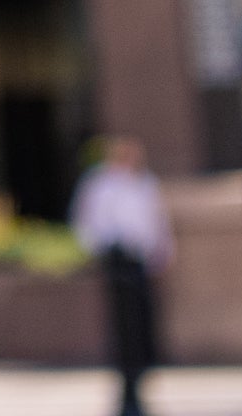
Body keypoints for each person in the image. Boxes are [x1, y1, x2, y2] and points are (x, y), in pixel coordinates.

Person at [68, 136, 172, 416]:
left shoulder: (145, 183)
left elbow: (157, 223)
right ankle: (126, 391)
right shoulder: (101, 184)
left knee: (142, 329)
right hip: (116, 260)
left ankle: (138, 385)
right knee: (122, 329)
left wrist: (158, 256)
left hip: (140, 262)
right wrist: (102, 247)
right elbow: (87, 223)